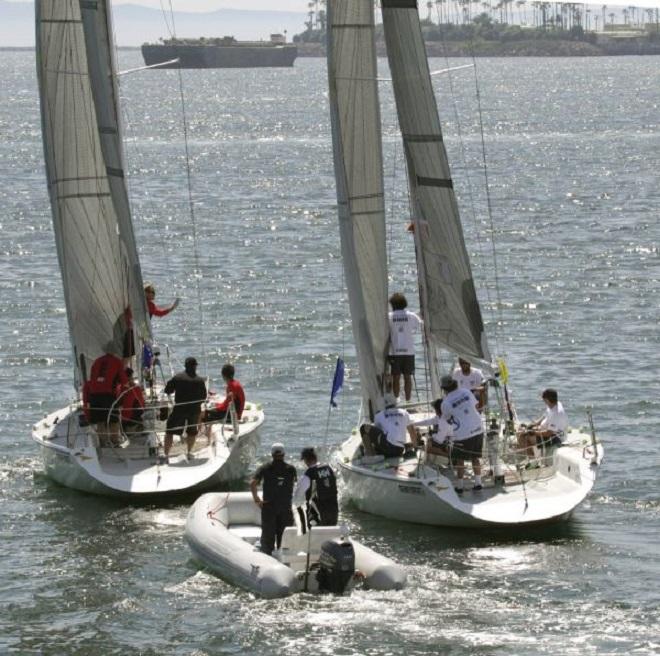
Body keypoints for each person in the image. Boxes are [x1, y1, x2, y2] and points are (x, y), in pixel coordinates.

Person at [250, 443, 297, 556]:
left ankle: (267, 559)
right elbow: (294, 484)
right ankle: (283, 562)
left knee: (268, 540)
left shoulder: (265, 468)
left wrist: (257, 499)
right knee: (284, 540)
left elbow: (253, 484)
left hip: (269, 507)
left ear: (271, 454)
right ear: (284, 454)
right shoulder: (291, 469)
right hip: (285, 508)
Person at [440, 375, 484, 493]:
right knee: (475, 457)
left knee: (460, 460)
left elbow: (446, 419)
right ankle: (478, 483)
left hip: (463, 433)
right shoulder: (466, 391)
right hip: (478, 427)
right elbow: (475, 405)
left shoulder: (446, 402)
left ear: (444, 389)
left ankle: (460, 487)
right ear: (455, 384)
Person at [83, 344, 128, 446]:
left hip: (94, 395)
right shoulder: (117, 362)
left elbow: (92, 379)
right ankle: (115, 441)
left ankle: (103, 443)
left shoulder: (97, 361)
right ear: (114, 351)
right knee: (114, 420)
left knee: (100, 421)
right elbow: (124, 380)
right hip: (108, 396)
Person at [163, 357, 207, 461]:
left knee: (169, 431)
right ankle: (189, 452)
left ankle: (166, 455)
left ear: (185, 366)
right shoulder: (200, 381)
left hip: (179, 410)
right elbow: (204, 397)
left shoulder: (178, 378)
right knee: (192, 432)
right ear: (195, 366)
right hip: (194, 410)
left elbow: (167, 390)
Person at [517, 388, 568, 463]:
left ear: (547, 400)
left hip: (554, 438)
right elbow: (544, 416)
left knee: (522, 436)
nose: (544, 402)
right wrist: (532, 425)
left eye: (544, 400)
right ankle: (529, 454)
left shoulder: (556, 413)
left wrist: (533, 432)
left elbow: (549, 433)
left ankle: (532, 461)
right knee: (521, 428)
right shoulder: (554, 404)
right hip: (547, 431)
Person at [388, 292, 423, 402]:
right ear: (405, 303)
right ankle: (408, 400)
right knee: (408, 377)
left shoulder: (389, 317)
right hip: (409, 351)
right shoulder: (411, 316)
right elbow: (420, 325)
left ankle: (396, 400)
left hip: (395, 352)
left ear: (392, 304)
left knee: (396, 377)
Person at [292, 447, 339, 529]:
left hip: (319, 514)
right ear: (315, 457)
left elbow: (298, 496)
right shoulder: (328, 468)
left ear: (306, 460)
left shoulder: (309, 474)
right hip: (334, 511)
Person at [120, 368, 145, 435]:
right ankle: (139, 427)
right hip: (132, 419)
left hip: (121, 420)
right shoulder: (135, 388)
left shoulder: (119, 387)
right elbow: (142, 405)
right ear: (131, 376)